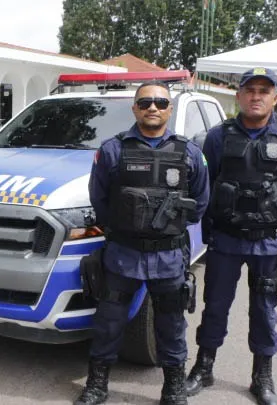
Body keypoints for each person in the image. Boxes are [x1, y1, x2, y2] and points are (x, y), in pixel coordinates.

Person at [185, 68, 277, 405]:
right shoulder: (217, 137)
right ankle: (204, 366)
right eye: (250, 90)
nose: (256, 96)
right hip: (225, 240)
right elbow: (204, 184)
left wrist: (272, 217)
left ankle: (262, 376)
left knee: (264, 309)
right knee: (214, 306)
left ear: (276, 98)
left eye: (263, 90)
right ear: (239, 96)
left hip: (269, 243)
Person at [78, 82, 210, 405]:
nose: (153, 107)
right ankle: (97, 385)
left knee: (171, 324)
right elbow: (100, 199)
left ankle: (174, 389)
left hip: (168, 257)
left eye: (161, 102)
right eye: (146, 102)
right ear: (135, 108)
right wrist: (127, 228)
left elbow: (201, 202)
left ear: (170, 109)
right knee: (109, 322)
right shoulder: (112, 150)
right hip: (123, 254)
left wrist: (165, 230)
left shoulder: (190, 153)